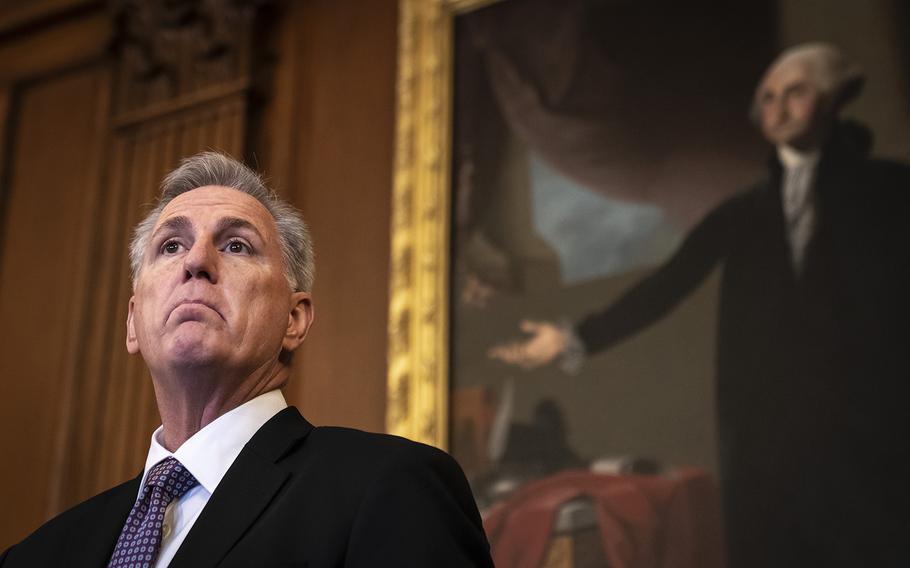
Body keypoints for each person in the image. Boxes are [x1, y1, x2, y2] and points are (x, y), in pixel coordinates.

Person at [491, 43, 910, 567]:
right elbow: (667, 285)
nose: (778, 108)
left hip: (869, 420)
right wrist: (575, 336)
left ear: (832, 96)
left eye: (795, 93)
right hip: (770, 431)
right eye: (769, 97)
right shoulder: (743, 211)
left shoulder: (892, 192)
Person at [1, 152, 493, 567]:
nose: (196, 261)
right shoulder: (38, 555)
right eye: (171, 246)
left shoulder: (389, 489)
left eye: (236, 245)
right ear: (133, 322)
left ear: (294, 320)